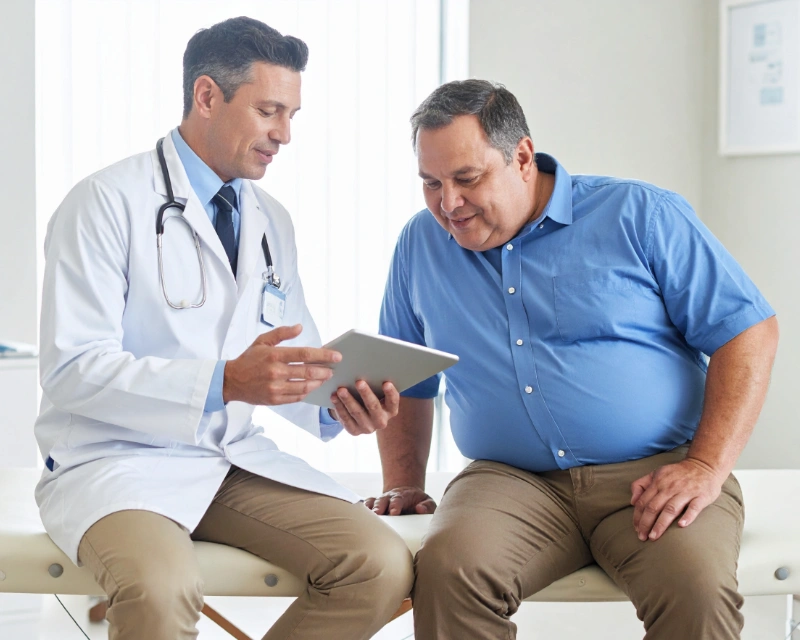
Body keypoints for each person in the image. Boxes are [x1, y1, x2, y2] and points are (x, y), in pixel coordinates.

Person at [35, 16, 412, 640]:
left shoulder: (270, 221)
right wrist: (225, 382)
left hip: (226, 458)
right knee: (160, 591)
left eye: (291, 115)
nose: (284, 134)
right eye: (269, 111)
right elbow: (73, 370)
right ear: (207, 96)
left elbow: (290, 355)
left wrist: (338, 404)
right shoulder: (103, 203)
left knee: (378, 564)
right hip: (114, 463)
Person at [369, 79, 779, 639]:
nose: (449, 204)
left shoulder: (639, 215)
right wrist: (402, 483)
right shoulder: (420, 243)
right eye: (431, 183)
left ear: (521, 157)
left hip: (656, 470)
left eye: (467, 179)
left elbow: (748, 332)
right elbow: (402, 373)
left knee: (696, 591)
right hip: (509, 482)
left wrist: (706, 468)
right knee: (448, 573)